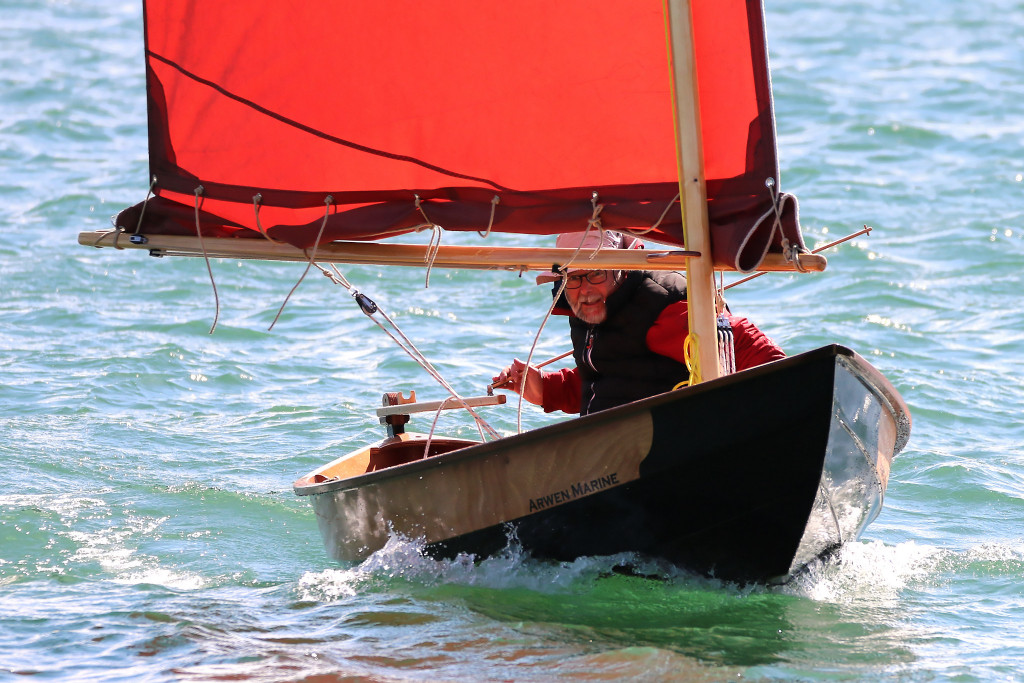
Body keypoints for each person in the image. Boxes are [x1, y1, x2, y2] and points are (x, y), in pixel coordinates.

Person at [492, 230, 785, 415]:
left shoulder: (659, 307)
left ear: (620, 268)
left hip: (659, 454)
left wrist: (797, 388)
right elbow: (614, 376)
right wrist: (546, 388)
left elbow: (741, 344)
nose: (585, 290)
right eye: (572, 277)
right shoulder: (585, 306)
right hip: (612, 452)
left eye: (595, 273)